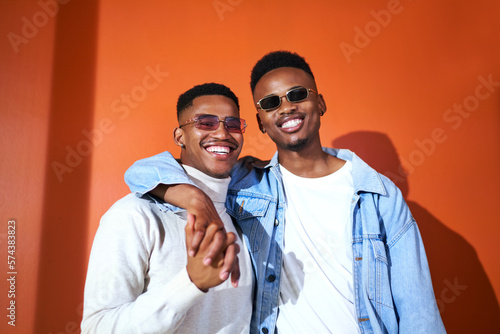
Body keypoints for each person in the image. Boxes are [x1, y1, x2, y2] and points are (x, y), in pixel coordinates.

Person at [124, 51, 446, 333]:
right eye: (270, 102)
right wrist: (193, 198)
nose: (287, 108)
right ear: (261, 121)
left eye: (297, 94)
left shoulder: (377, 194)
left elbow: (418, 309)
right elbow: (141, 172)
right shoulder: (247, 183)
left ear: (319, 102)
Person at [81, 83, 254, 334]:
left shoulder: (248, 217)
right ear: (179, 137)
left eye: (233, 124)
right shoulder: (134, 215)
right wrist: (190, 283)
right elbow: (97, 328)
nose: (222, 133)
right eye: (206, 122)